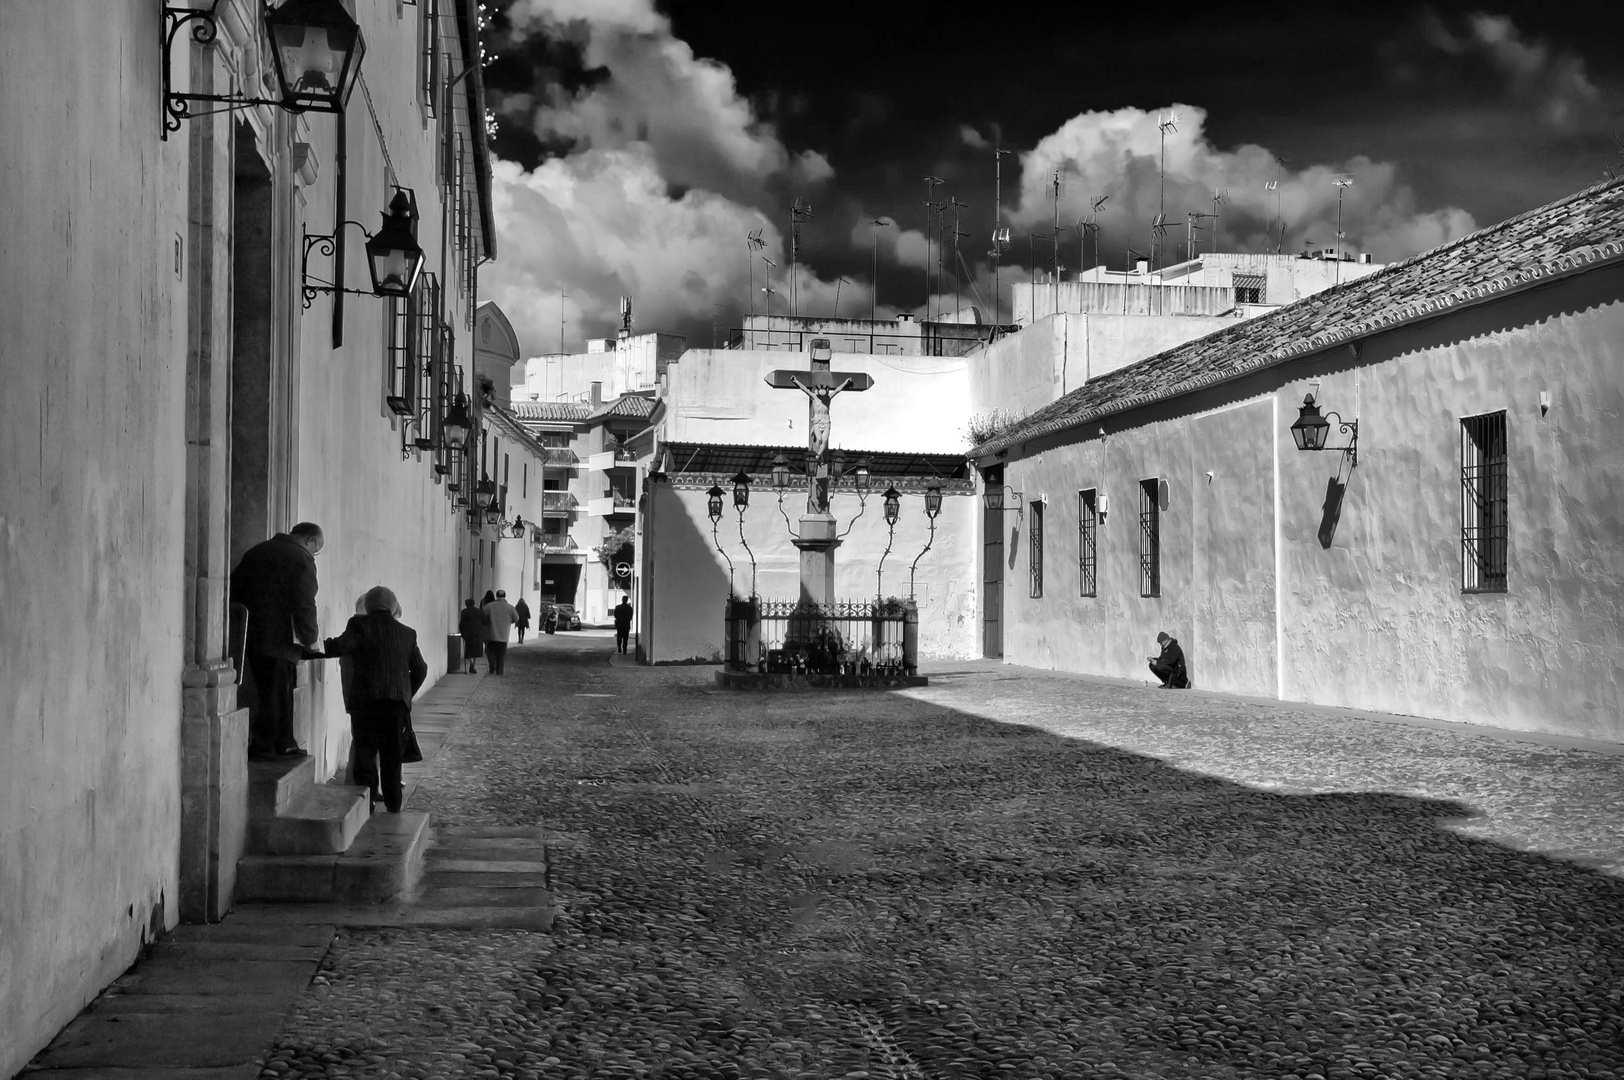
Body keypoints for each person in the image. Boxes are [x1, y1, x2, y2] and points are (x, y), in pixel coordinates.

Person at [320, 586, 427, 814]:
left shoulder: (359, 625)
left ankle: (365, 803)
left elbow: (340, 646)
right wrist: (405, 693)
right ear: (393, 605)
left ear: (367, 606)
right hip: (395, 705)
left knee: (365, 753)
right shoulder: (407, 633)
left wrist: (316, 646)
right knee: (392, 755)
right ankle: (394, 804)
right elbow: (420, 669)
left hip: (366, 703)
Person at [229, 521, 324, 760]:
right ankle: (267, 746)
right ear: (309, 540)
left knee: (269, 690)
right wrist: (311, 638)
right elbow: (305, 602)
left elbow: (234, 587)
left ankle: (281, 741)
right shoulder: (301, 559)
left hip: (252, 635)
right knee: (277, 693)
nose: (314, 554)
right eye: (317, 549)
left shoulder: (257, 551)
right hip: (281, 639)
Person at [482, 589, 519, 674]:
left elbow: (483, 617)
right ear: (505, 596)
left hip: (491, 634)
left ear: (496, 595)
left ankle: (492, 666)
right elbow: (516, 618)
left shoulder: (489, 606)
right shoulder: (510, 607)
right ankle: (499, 670)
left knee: (490, 651)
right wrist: (508, 621)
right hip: (504, 635)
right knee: (501, 655)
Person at [457, 598, 487, 674]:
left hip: (469, 633)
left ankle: (471, 663)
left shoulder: (464, 612)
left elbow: (462, 624)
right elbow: (484, 621)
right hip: (478, 633)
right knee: (476, 650)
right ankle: (473, 665)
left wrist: (462, 633)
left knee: (469, 650)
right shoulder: (480, 611)